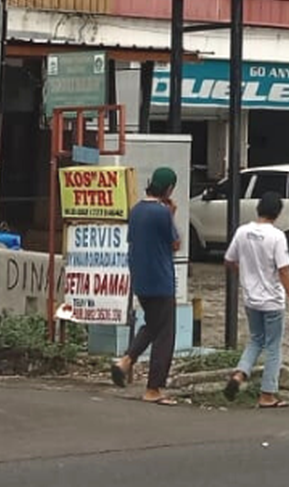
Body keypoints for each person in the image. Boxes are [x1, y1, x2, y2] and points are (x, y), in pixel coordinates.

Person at [222, 191, 289, 408]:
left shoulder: (242, 232)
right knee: (273, 346)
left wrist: (246, 275)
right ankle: (267, 393)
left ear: (258, 208)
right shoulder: (276, 236)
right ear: (277, 213)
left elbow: (229, 260)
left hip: (251, 299)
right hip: (272, 300)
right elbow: (284, 270)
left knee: (256, 339)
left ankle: (240, 374)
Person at [110, 167, 181, 405]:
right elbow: (175, 244)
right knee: (165, 335)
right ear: (169, 189)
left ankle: (126, 361)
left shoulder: (137, 210)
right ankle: (154, 389)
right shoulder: (161, 213)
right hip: (161, 280)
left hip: (141, 279)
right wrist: (171, 214)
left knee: (152, 325)